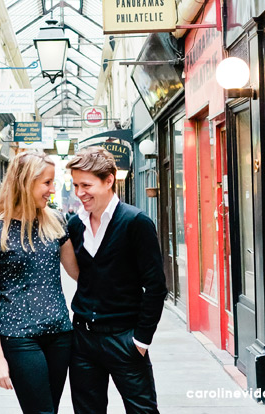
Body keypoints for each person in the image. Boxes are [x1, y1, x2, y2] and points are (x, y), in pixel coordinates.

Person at [66, 147, 168, 414]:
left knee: (142, 411)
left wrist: (141, 341)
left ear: (109, 180)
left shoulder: (136, 222)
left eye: (86, 185)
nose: (79, 192)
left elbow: (156, 286)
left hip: (125, 338)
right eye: (76, 185)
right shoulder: (75, 225)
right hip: (83, 341)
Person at [0, 151, 79, 414]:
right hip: (19, 337)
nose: (52, 190)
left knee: (49, 409)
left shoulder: (55, 221)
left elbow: (78, 273)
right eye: (46, 183)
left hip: (60, 334)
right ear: (25, 182)